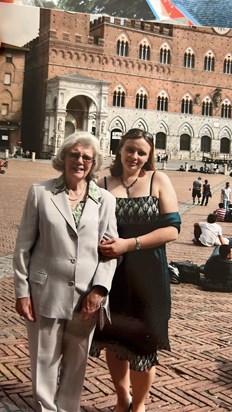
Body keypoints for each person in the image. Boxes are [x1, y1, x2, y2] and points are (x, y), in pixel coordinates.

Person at [13, 131, 118, 412]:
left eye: (86, 157)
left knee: (76, 366)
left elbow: (109, 253)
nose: (80, 161)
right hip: (44, 293)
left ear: (94, 163)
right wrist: (22, 292)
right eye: (74, 154)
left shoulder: (106, 200)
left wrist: (99, 290)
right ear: (64, 157)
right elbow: (23, 247)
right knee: (43, 363)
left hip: (86, 298)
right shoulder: (41, 192)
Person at [91, 128, 181, 412]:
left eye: (142, 152)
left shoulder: (158, 180)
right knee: (115, 343)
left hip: (148, 277)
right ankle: (122, 399)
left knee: (144, 347)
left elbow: (172, 229)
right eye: (130, 149)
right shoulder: (103, 182)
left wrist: (128, 244)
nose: (135, 156)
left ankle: (139, 404)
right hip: (111, 275)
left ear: (149, 155)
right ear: (120, 149)